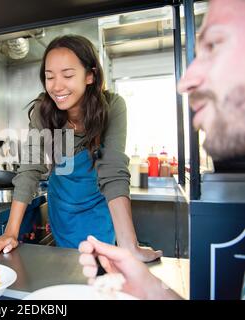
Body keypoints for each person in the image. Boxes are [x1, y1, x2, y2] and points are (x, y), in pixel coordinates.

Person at [79, 0, 245, 299]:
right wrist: (152, 291)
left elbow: (112, 167)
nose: (186, 82)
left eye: (215, 45)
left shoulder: (113, 105)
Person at [0, 35, 162, 262]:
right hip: (62, 209)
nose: (56, 86)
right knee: (69, 270)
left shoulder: (113, 107)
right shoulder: (42, 111)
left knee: (102, 269)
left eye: (68, 75)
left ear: (90, 75)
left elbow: (113, 172)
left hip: (98, 206)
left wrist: (129, 246)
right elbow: (29, 169)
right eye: (49, 77)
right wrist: (10, 233)